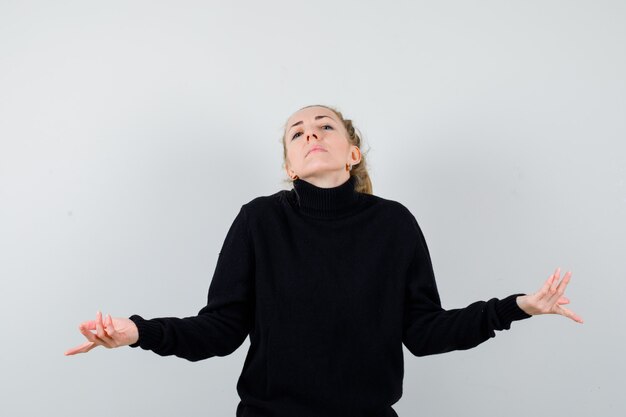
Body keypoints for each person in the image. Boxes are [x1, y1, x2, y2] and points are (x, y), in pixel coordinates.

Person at [65, 104, 583, 417]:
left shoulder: (393, 223)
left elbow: (424, 332)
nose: (311, 134)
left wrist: (518, 307)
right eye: (298, 132)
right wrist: (137, 331)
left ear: (353, 152)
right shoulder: (260, 221)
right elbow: (221, 329)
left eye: (325, 126)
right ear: (289, 165)